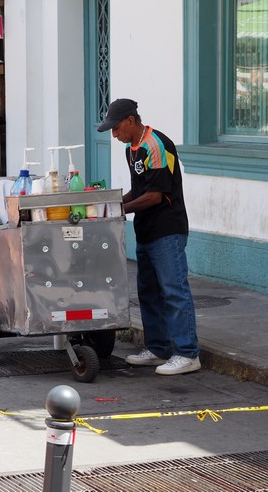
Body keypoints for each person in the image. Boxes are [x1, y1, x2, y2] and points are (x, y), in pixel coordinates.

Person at [97, 98, 200, 375]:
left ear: (131, 120)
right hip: (146, 230)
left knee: (174, 290)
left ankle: (188, 353)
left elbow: (155, 195)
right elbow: (139, 189)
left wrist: (121, 209)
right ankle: (158, 349)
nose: (114, 134)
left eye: (116, 128)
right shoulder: (133, 148)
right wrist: (113, 201)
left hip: (167, 230)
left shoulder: (157, 145)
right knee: (149, 292)